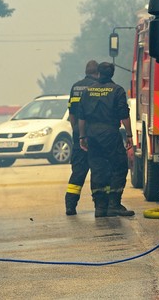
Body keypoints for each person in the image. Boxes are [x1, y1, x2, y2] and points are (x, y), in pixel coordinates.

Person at [78, 62, 135, 218]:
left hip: (92, 135)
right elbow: (124, 115)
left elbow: (81, 117)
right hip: (110, 134)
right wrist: (129, 135)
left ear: (98, 73)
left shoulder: (88, 91)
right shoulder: (117, 90)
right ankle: (114, 205)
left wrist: (82, 136)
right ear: (112, 73)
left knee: (97, 168)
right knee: (119, 166)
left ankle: (100, 208)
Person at [64, 60, 99, 216]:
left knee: (78, 171)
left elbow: (72, 113)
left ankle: (70, 206)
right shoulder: (98, 88)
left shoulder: (75, 87)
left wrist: (76, 130)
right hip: (95, 134)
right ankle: (100, 206)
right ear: (97, 73)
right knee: (98, 170)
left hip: (78, 134)